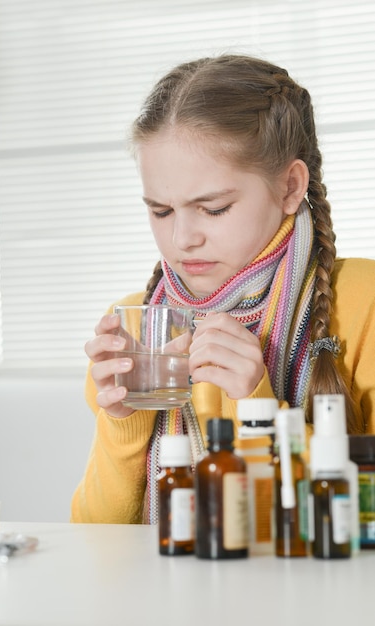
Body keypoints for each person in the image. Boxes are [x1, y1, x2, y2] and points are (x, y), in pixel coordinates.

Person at [71, 54, 375, 525]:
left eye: (212, 209)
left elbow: (361, 520)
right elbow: (94, 543)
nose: (181, 239)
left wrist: (259, 409)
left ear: (291, 187)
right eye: (161, 211)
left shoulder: (362, 300)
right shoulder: (137, 325)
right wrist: (124, 425)